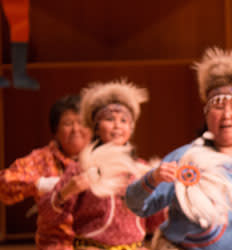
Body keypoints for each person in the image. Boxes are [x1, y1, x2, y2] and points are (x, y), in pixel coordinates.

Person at [125, 46, 232, 250]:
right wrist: (153, 178)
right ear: (206, 115)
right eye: (219, 107)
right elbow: (136, 205)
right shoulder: (184, 159)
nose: (226, 115)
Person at [37, 80, 166, 249]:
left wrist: (166, 192)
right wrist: (67, 190)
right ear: (96, 128)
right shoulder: (81, 166)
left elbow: (153, 222)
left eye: (124, 120)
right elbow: (48, 214)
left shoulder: (140, 169)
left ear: (131, 128)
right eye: (110, 119)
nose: (117, 126)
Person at [0, 95, 91, 246]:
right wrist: (40, 184)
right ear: (55, 131)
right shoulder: (42, 159)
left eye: (81, 123)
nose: (76, 129)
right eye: (68, 123)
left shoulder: (104, 156)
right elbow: (4, 184)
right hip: (58, 243)